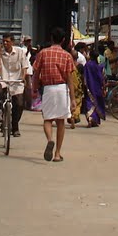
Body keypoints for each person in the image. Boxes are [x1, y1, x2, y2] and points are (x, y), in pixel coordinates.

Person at [33, 26, 75, 162]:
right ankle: (57, 154)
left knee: (47, 119)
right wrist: (73, 99)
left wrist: (34, 89)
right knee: (61, 121)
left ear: (51, 38)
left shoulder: (43, 53)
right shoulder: (67, 55)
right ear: (63, 40)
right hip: (62, 89)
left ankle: (50, 140)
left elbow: (36, 73)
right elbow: (70, 79)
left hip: (48, 89)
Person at [0, 34, 30, 136]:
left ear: (12, 42)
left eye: (7, 41)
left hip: (16, 81)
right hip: (3, 80)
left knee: (20, 104)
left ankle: (15, 126)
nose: (5, 43)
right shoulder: (0, 52)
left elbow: (24, 67)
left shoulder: (20, 52)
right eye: (3, 41)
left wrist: (23, 77)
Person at [81, 44, 106, 127]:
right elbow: (103, 78)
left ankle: (91, 119)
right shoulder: (100, 66)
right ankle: (94, 120)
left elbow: (85, 77)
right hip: (98, 88)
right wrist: (104, 87)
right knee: (97, 104)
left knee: (89, 103)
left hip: (89, 88)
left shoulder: (87, 65)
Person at [68, 40, 85, 128]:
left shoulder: (69, 66)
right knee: (78, 103)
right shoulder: (80, 66)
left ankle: (70, 116)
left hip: (70, 86)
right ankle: (74, 117)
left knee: (70, 101)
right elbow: (82, 76)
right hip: (78, 86)